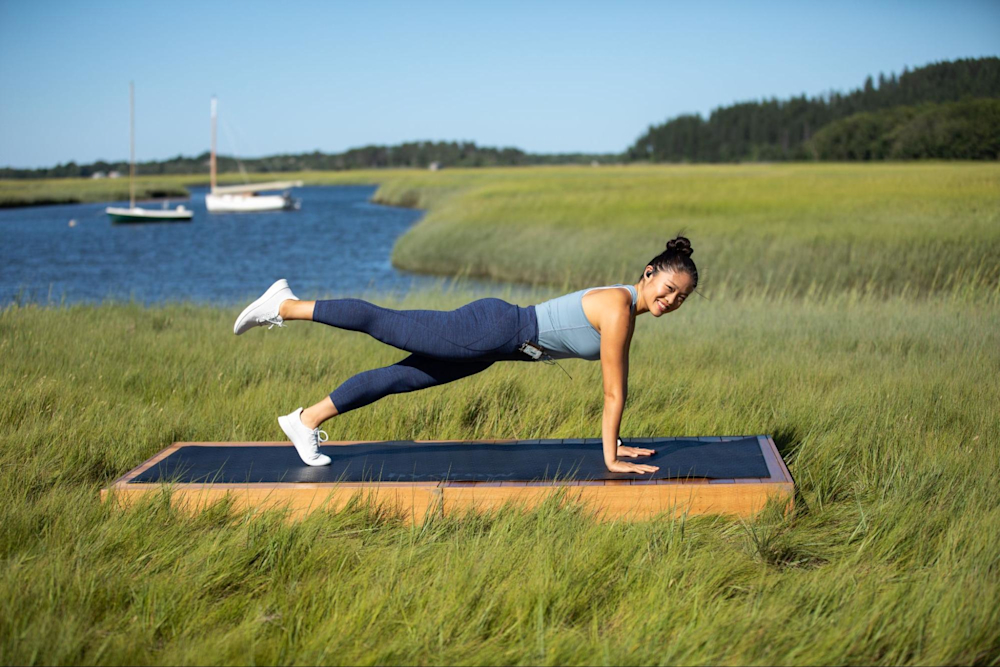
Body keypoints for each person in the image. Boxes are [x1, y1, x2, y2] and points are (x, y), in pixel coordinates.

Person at [234, 236, 698, 474]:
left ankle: (306, 421)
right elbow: (614, 392)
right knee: (384, 321)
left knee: (402, 379)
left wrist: (612, 441)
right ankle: (284, 305)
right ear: (649, 272)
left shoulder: (625, 309)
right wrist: (611, 457)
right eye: (668, 288)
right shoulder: (619, 308)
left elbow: (612, 387)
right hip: (492, 331)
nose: (672, 300)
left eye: (682, 298)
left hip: (494, 345)